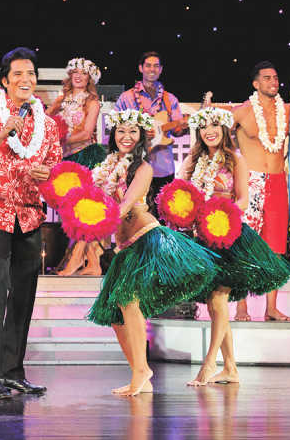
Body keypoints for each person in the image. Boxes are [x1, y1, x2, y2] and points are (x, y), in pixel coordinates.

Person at [87, 108, 217, 397]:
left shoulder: (144, 168)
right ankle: (140, 373)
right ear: (113, 135)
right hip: (124, 246)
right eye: (121, 131)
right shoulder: (106, 167)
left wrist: (99, 224)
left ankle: (141, 371)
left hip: (145, 239)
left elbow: (126, 204)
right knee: (114, 313)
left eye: (133, 131)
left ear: (142, 136)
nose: (127, 136)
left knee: (128, 302)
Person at [0, 47, 62, 399]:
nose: (26, 80)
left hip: (30, 213)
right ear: (4, 81)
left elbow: (57, 172)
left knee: (24, 291)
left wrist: (47, 174)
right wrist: (3, 134)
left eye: (31, 74)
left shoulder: (48, 124)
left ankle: (13, 371)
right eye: (18, 74)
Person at [178, 107, 290, 386]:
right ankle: (230, 368)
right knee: (215, 304)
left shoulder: (235, 159)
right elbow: (180, 192)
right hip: (200, 238)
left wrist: (219, 212)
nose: (209, 131)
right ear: (199, 132)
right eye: (204, 127)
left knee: (218, 299)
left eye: (215, 125)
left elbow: (242, 200)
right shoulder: (193, 159)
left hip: (227, 234)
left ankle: (208, 365)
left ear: (225, 129)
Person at [232, 61, 290, 322]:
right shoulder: (243, 112)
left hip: (279, 180)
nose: (273, 82)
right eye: (267, 78)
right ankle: (241, 306)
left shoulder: (287, 111)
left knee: (276, 247)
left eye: (276, 77)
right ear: (256, 84)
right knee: (245, 244)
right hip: (252, 181)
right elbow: (209, 131)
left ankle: (271, 307)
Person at [46, 57, 107, 276]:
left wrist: (60, 138)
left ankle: (76, 260)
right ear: (70, 76)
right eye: (75, 72)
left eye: (83, 72)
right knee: (69, 212)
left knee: (83, 210)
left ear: (89, 77)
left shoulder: (92, 101)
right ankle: (93, 263)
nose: (79, 76)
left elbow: (86, 132)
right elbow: (46, 119)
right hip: (65, 159)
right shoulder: (61, 99)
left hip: (85, 157)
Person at [115, 51, 187, 216]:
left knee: (161, 215)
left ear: (161, 69)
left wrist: (182, 127)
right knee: (133, 215)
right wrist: (137, 133)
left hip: (163, 166)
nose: (152, 69)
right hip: (133, 164)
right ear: (141, 68)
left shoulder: (170, 99)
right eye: (148, 65)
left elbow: (176, 132)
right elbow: (115, 126)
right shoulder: (127, 98)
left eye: (156, 66)